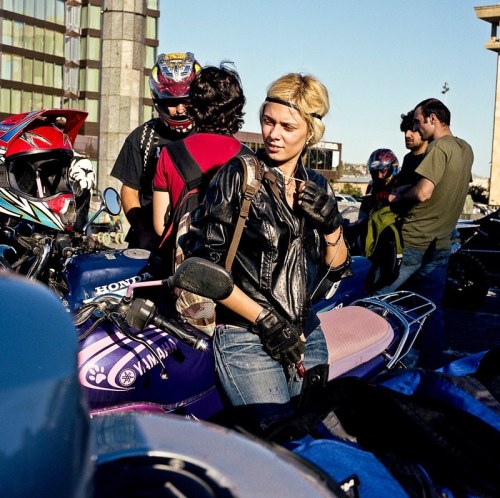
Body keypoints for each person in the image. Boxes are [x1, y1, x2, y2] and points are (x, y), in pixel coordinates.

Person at [182, 73, 349, 433]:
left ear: (310, 132)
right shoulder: (238, 176)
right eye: (268, 121)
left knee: (314, 439)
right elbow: (203, 267)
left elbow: (336, 269)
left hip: (307, 335)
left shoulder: (318, 185)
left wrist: (332, 224)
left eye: (287, 126)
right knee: (279, 445)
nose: (273, 134)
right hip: (247, 337)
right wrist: (265, 320)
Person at [377, 98, 474, 369]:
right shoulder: (466, 149)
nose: (416, 128)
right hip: (440, 243)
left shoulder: (439, 148)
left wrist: (398, 197)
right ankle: (432, 369)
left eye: (418, 122)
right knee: (431, 310)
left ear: (433, 119)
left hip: (413, 241)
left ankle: (370, 362)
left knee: (378, 301)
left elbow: (423, 192)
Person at [152, 63, 246, 268]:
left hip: (183, 270)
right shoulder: (249, 160)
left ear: (193, 105)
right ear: (236, 107)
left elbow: (160, 225)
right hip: (235, 274)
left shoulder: (170, 153)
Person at [111, 52, 201, 251]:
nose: (180, 109)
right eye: (171, 101)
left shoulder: (208, 135)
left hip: (199, 240)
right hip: (150, 242)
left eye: (186, 100)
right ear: (157, 98)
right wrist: (142, 231)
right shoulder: (141, 137)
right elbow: (129, 190)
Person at [359, 148, 399, 218]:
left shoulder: (399, 185)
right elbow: (364, 210)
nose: (379, 176)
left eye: (382, 171)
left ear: (392, 169)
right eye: (375, 172)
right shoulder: (372, 185)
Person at [395, 110, 429, 189]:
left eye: (413, 130)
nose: (407, 135)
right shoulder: (407, 158)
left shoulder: (431, 156)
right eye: (405, 131)